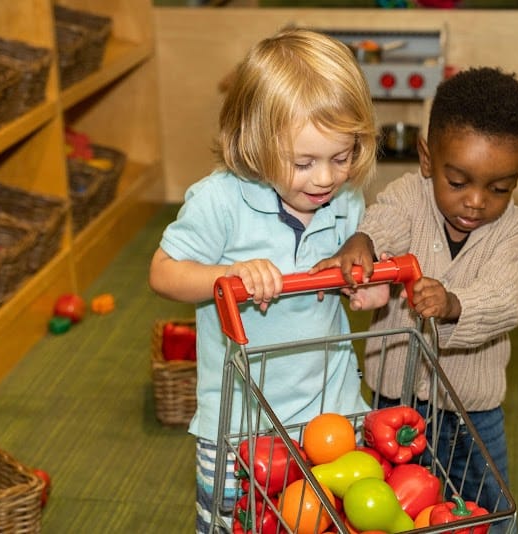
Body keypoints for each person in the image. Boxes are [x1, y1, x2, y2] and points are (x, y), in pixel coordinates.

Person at [148, 28, 378, 534]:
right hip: (240, 423)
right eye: (303, 162)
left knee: (333, 521)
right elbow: (162, 272)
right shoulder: (218, 201)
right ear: (254, 142)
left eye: (341, 158)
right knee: (234, 525)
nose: (325, 179)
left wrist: (361, 284)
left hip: (331, 410)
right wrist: (225, 274)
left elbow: (355, 288)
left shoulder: (344, 201)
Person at [316, 66, 518, 530]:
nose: (476, 201)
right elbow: (385, 221)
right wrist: (364, 242)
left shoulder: (515, 231)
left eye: (499, 188)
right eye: (457, 182)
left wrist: (455, 304)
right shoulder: (407, 195)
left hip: (471, 414)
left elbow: (507, 299)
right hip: (391, 402)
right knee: (388, 506)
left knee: (489, 507)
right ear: (426, 158)